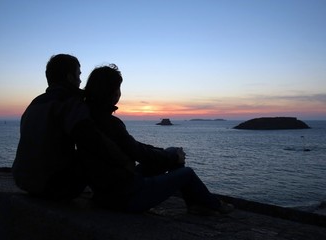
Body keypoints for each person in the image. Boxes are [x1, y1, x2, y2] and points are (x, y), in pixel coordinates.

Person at [83, 64, 234, 214]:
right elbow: (138, 152)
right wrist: (173, 157)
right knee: (186, 172)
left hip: (110, 191)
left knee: (172, 151)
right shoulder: (108, 123)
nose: (119, 93)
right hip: (124, 198)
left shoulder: (88, 119)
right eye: (117, 88)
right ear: (110, 92)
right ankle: (212, 204)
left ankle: (196, 204)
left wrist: (166, 153)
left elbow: (131, 145)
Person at [12, 54, 128, 201]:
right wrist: (123, 160)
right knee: (91, 152)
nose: (80, 80)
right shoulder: (69, 103)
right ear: (70, 77)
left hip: (23, 181)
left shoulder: (34, 104)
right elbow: (91, 139)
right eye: (78, 75)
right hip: (52, 185)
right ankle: (116, 196)